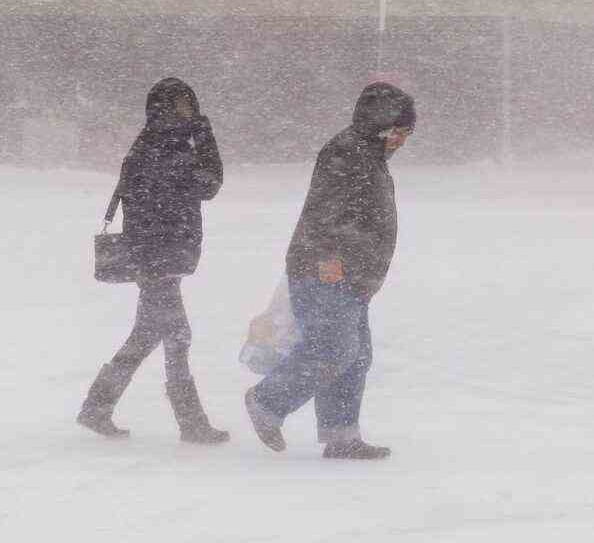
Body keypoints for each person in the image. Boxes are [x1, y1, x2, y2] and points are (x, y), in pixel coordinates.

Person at [245, 82, 415, 459]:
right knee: (334, 349)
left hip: (352, 276)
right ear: (381, 124)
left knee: (355, 355)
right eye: (399, 131)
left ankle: (341, 436)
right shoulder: (346, 151)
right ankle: (267, 401)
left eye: (407, 134)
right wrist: (327, 260)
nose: (402, 140)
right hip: (326, 271)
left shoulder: (368, 156)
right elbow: (324, 211)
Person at [77, 78, 229, 444]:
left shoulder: (157, 144)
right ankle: (191, 422)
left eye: (190, 104)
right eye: (182, 106)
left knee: (146, 334)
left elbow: (198, 187)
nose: (189, 112)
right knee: (177, 336)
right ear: (164, 109)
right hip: (158, 259)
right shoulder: (162, 149)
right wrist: (205, 137)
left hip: (159, 256)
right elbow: (209, 184)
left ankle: (97, 406)